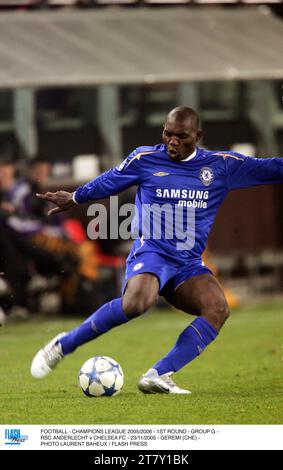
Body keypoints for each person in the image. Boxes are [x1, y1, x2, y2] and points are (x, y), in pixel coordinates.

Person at [31, 106, 283, 394]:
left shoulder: (221, 166)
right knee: (136, 303)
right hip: (152, 251)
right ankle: (64, 344)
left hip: (188, 263)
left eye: (181, 136)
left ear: (197, 136)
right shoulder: (145, 158)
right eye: (168, 133)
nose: (172, 141)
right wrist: (75, 197)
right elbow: (111, 180)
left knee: (217, 308)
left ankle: (158, 374)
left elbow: (273, 168)